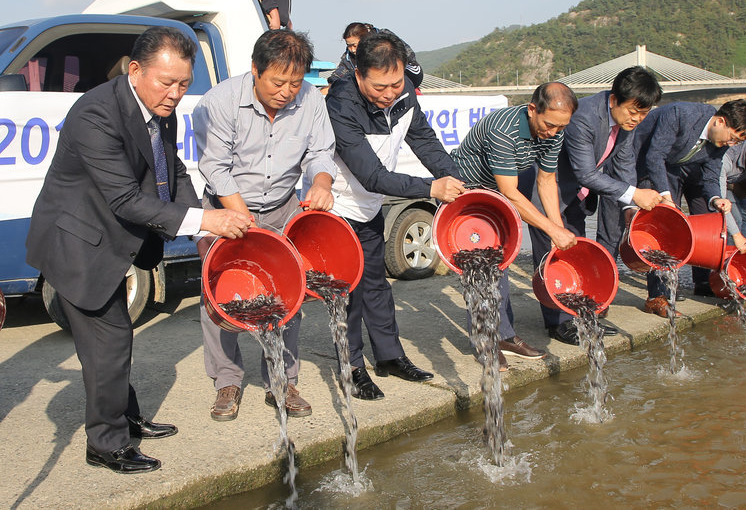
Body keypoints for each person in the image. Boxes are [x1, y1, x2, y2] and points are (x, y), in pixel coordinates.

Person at [25, 27, 252, 474]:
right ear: (135, 69)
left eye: (184, 84)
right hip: (79, 245)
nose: (175, 94)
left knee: (113, 342)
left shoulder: (156, 107)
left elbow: (176, 173)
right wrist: (209, 220)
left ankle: (124, 418)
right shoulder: (96, 114)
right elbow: (126, 199)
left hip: (114, 240)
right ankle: (105, 445)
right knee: (109, 343)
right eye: (166, 82)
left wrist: (202, 233)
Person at [193, 29, 336, 422]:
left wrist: (322, 182)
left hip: (282, 205)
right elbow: (215, 168)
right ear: (255, 70)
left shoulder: (310, 100)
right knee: (218, 294)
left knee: (289, 292)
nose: (287, 91)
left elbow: (321, 152)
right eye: (277, 81)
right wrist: (243, 221)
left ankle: (283, 379)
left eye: (295, 82)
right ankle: (227, 380)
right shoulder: (218, 103)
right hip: (226, 206)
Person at [326, 31, 464, 400]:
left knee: (376, 286)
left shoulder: (405, 96)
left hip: (368, 210)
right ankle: (352, 365)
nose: (389, 93)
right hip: (337, 211)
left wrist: (452, 178)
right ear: (358, 74)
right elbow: (372, 176)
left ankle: (389, 356)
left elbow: (426, 142)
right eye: (380, 86)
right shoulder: (341, 104)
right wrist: (431, 189)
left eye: (396, 83)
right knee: (348, 293)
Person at [521, 67, 664, 345]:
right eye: (633, 111)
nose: (637, 119)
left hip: (577, 195)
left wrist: (629, 208)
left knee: (577, 252)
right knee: (551, 256)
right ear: (613, 101)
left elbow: (623, 163)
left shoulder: (626, 124)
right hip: (548, 192)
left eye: (643, 114)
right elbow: (586, 172)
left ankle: (579, 317)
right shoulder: (584, 117)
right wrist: (635, 194)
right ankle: (558, 323)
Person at [451, 82, 579, 366]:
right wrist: (551, 229)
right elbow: (511, 192)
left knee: (501, 261)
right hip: (466, 192)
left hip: (496, 194)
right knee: (479, 267)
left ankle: (504, 335)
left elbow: (546, 180)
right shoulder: (503, 129)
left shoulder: (554, 130)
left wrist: (559, 230)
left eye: (561, 127)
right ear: (533, 109)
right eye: (549, 125)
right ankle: (486, 340)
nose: (554, 132)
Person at [632, 99, 746, 304]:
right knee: (659, 225)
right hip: (636, 161)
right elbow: (655, 156)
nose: (731, 144)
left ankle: (667, 292)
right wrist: (666, 197)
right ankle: (658, 296)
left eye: (736, 142)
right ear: (720, 121)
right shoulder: (680, 114)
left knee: (674, 226)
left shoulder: (720, 142)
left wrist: (717, 199)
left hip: (671, 166)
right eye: (732, 138)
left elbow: (710, 175)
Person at [329, 22, 423, 89]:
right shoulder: (350, 56)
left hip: (408, 72)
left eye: (355, 45)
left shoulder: (384, 36)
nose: (352, 50)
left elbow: (408, 55)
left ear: (364, 39)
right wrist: (331, 84)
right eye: (348, 46)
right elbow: (341, 72)